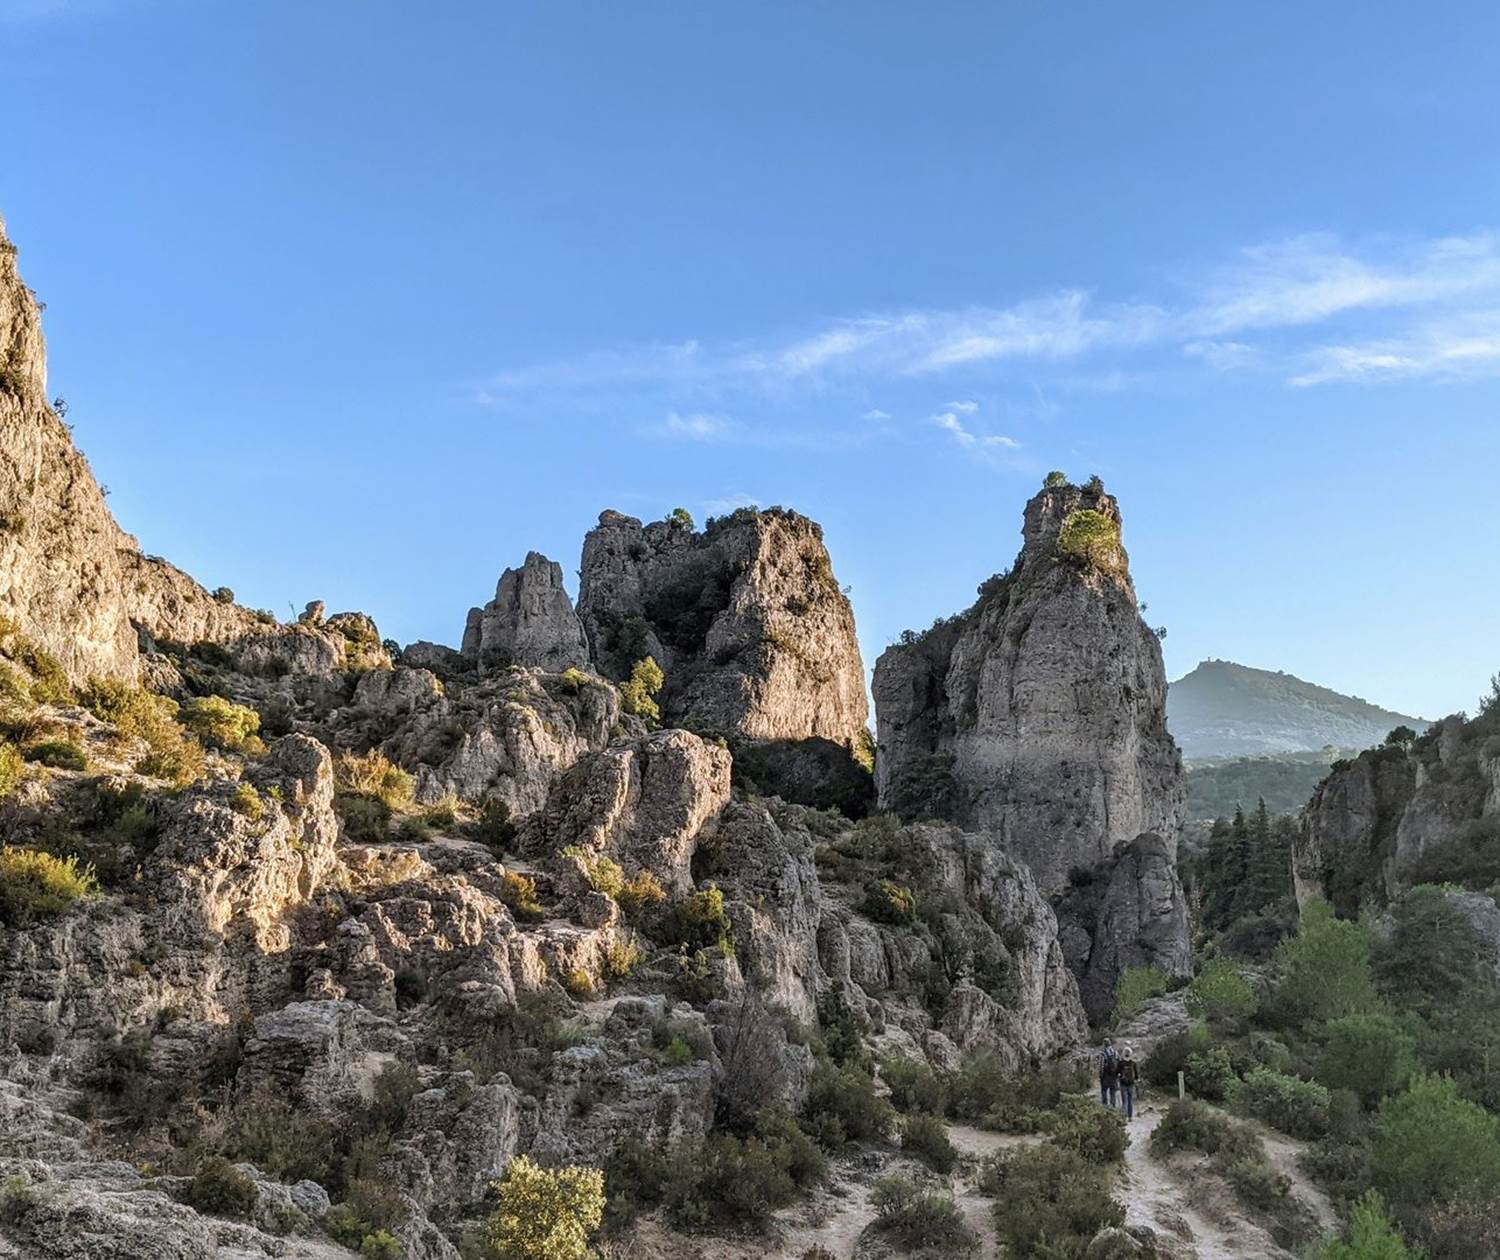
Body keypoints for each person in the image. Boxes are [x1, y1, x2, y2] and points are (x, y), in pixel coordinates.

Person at [1118, 1046, 1139, 1120]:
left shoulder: (1121, 1063)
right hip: (1131, 1083)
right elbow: (1136, 1075)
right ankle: (1130, 1117)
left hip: (1123, 1083)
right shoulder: (1133, 1063)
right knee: (1130, 1100)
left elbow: (1117, 1072)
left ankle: (1124, 1117)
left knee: (1125, 1101)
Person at [1098, 1037, 1119, 1109]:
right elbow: (1118, 1062)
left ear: (1104, 1044)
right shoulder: (1115, 1052)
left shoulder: (1103, 1053)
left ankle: (1105, 1106)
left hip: (1106, 1076)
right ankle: (1113, 1106)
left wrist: (1100, 1075)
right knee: (1112, 1091)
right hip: (1114, 1076)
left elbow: (1101, 1065)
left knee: (1104, 1090)